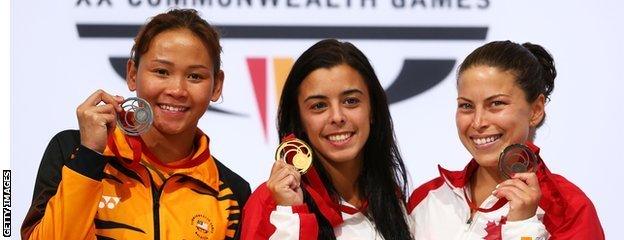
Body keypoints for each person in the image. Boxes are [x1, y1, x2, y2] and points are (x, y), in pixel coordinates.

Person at [21, 9, 250, 240]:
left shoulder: (232, 193)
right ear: (132, 74)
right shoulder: (73, 151)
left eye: (195, 77)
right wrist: (89, 157)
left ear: (217, 85)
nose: (177, 90)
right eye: (161, 71)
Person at [408, 40, 604, 239]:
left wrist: (523, 229)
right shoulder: (428, 198)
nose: (478, 122)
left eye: (496, 103)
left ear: (536, 110)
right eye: (466, 106)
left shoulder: (568, 210)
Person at [240, 39, 414, 239]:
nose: (337, 117)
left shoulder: (389, 197)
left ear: (372, 110)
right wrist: (291, 214)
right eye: (319, 106)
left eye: (351, 101)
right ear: (299, 120)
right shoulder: (272, 202)